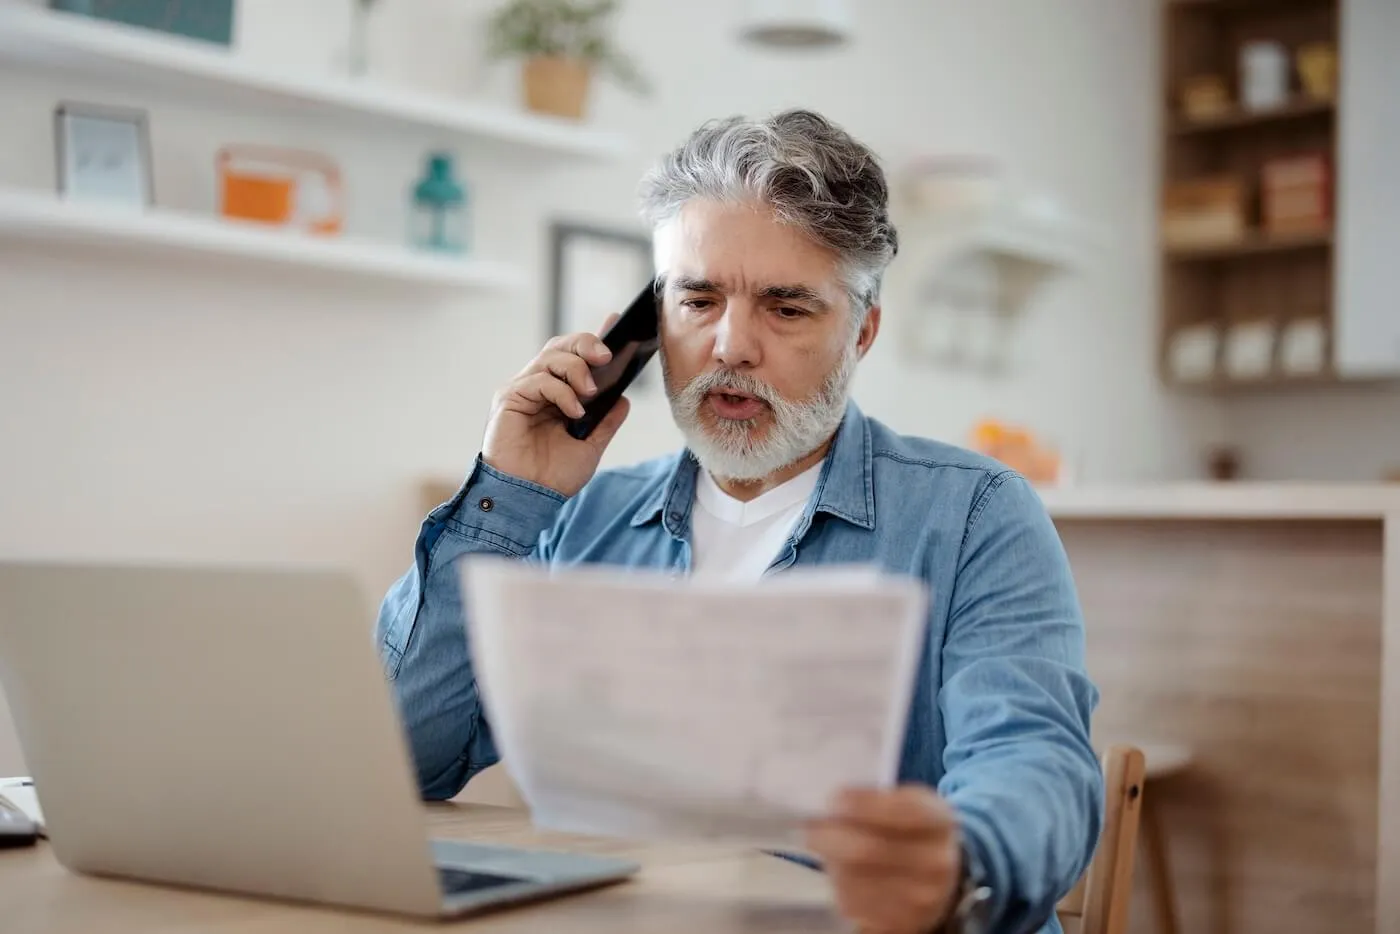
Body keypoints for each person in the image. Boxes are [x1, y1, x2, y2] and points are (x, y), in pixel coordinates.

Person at [376, 109, 1103, 934]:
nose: (730, 347)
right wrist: (508, 495)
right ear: (653, 325)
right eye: (698, 299)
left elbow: (1034, 763)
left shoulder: (974, 514)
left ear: (861, 332)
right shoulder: (583, 522)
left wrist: (959, 866)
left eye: (786, 309)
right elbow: (399, 760)